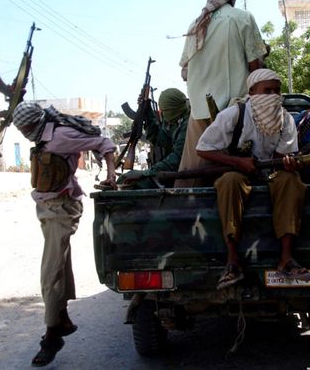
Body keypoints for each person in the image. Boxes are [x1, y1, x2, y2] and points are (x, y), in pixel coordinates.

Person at [12, 101, 117, 367]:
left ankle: (51, 336)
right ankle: (63, 318)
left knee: (50, 274)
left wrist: (111, 174)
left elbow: (103, 143)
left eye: (25, 127)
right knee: (59, 265)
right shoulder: (43, 135)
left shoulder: (60, 136)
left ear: (34, 122)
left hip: (61, 208)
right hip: (47, 209)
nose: (24, 133)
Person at [196, 68, 310, 289]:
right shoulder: (233, 115)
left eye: (276, 91)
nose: (272, 95)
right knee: (229, 181)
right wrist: (238, 163)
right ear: (252, 91)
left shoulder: (286, 119)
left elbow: (281, 157)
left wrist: (288, 162)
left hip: (270, 175)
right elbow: (203, 149)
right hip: (238, 174)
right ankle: (232, 262)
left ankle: (286, 258)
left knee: (291, 180)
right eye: (266, 90)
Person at [175, 0, 267, 187]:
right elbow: (257, 69)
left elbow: (185, 73)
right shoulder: (242, 18)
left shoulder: (195, 25)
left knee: (190, 180)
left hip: (199, 113)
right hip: (236, 114)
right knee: (243, 177)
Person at [117, 88, 190, 189]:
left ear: (172, 110)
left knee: (128, 183)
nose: (163, 115)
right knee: (125, 179)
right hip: (174, 173)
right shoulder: (177, 120)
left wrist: (146, 173)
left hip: (180, 175)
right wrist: (147, 111)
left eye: (164, 112)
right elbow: (160, 139)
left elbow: (176, 159)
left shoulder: (188, 125)